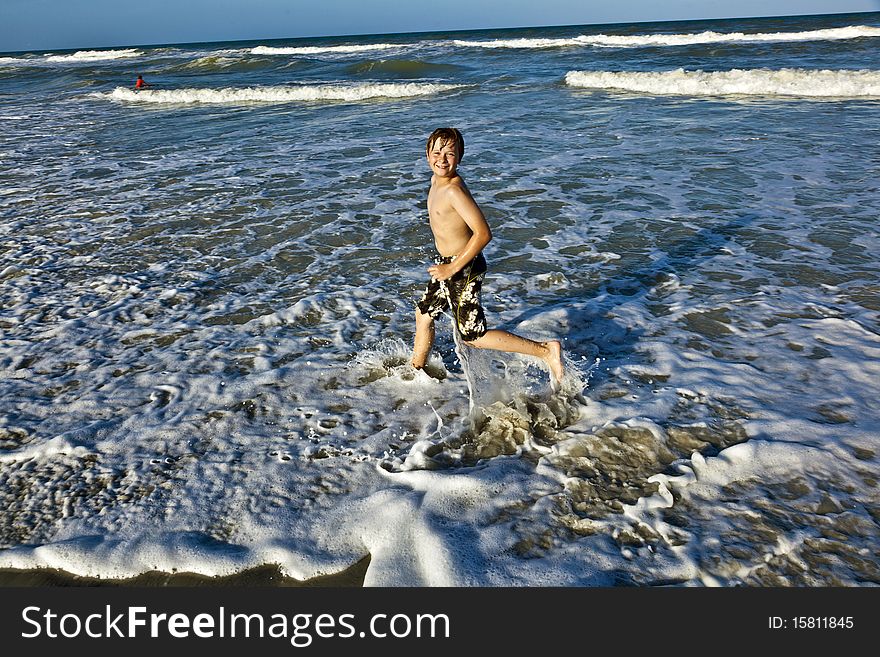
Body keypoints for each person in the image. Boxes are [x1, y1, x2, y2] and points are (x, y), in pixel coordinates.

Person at [411, 127, 565, 384]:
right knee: (423, 314)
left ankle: (546, 351)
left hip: (464, 266)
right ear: (427, 155)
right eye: (437, 152)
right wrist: (446, 267)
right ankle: (416, 371)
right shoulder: (436, 181)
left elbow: (483, 233)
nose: (442, 159)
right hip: (447, 265)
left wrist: (453, 268)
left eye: (450, 154)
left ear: (460, 157)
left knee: (474, 336)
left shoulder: (453, 190)